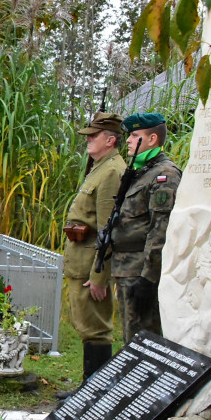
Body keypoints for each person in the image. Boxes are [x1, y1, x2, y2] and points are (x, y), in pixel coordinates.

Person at [56, 113, 126, 400]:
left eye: (93, 136)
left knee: (96, 329)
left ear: (110, 140)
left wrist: (100, 276)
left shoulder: (112, 172)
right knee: (87, 327)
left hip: (90, 266)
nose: (87, 139)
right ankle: (89, 388)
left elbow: (108, 228)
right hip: (81, 261)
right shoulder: (100, 167)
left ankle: (95, 392)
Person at [109, 112, 181, 343]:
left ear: (151, 140)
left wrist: (148, 279)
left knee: (143, 340)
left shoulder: (164, 174)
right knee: (130, 336)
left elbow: (160, 229)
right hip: (125, 268)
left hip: (140, 271)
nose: (128, 140)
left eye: (134, 135)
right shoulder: (139, 172)